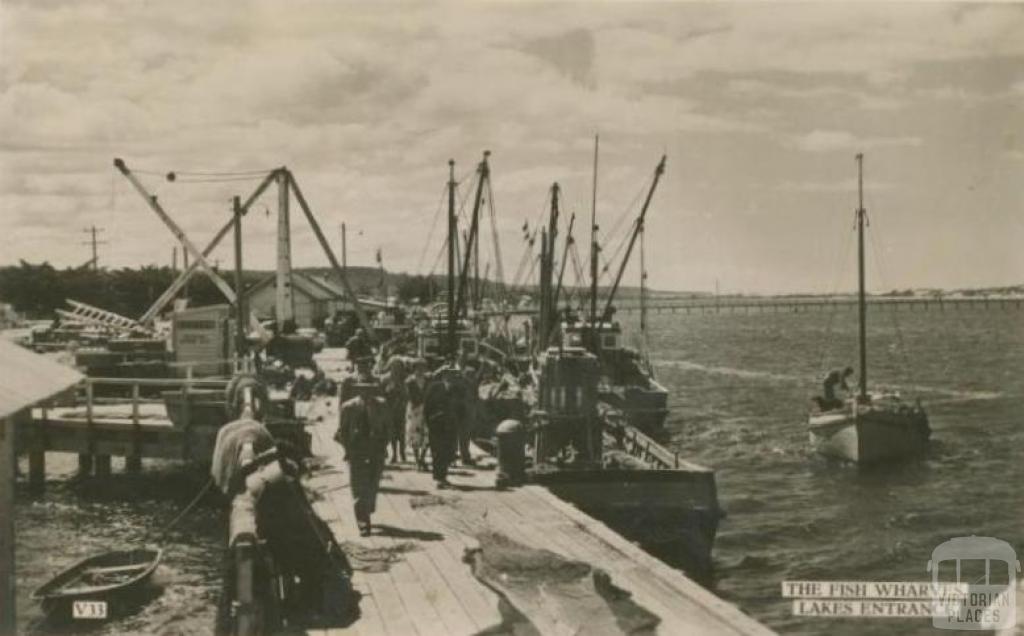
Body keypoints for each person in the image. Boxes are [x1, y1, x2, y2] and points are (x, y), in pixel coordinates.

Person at [335, 382, 390, 536]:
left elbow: (388, 428)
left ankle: (368, 508)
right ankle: (363, 522)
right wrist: (348, 449)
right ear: (357, 390)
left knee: (373, 485)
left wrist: (384, 445)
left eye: (370, 389)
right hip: (356, 451)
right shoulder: (349, 407)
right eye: (363, 389)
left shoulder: (382, 405)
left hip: (376, 451)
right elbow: (342, 431)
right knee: (359, 487)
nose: (366, 392)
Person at [423, 365, 464, 489]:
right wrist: (428, 421)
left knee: (449, 451)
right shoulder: (435, 387)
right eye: (449, 374)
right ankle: (439, 478)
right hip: (436, 424)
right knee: (437, 451)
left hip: (451, 425)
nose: (452, 377)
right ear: (444, 375)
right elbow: (427, 405)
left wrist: (459, 421)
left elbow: (462, 407)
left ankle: (443, 476)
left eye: (454, 375)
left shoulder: (458, 390)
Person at [381, 355, 409, 463]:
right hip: (389, 408)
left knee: (401, 432)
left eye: (399, 366)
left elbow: (407, 394)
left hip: (401, 409)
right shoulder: (385, 379)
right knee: (391, 432)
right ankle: (394, 454)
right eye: (394, 366)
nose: (396, 369)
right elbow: (381, 394)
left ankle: (402, 452)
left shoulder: (404, 379)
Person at [404, 358, 430, 472]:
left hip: (427, 409)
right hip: (414, 410)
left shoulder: (429, 380)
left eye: (422, 368)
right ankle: (417, 460)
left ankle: (422, 458)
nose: (420, 370)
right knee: (414, 434)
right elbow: (409, 396)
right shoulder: (409, 381)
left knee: (427, 434)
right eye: (418, 368)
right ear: (414, 369)